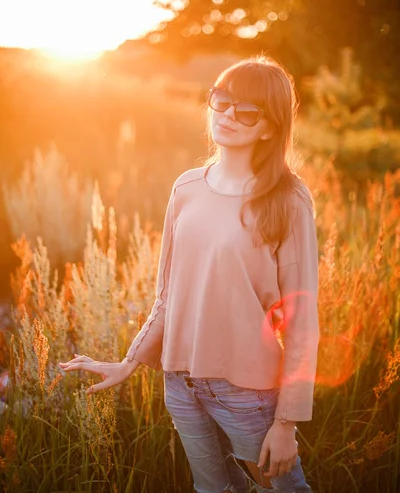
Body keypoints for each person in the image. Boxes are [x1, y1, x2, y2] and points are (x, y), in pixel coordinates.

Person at [60, 56, 320, 493]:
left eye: (247, 111)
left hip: (247, 392)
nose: (227, 116)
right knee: (212, 490)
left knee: (285, 491)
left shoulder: (289, 200)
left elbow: (302, 324)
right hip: (179, 382)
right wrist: (130, 362)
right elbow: (169, 295)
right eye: (221, 100)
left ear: (269, 127)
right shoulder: (186, 188)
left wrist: (287, 423)